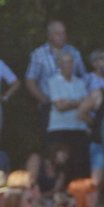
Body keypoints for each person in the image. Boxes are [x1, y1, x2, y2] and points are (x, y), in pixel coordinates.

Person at [44, 50, 93, 185]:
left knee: (78, 165)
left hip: (78, 128)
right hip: (59, 128)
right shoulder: (53, 81)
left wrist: (69, 102)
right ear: (59, 64)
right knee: (60, 165)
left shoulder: (79, 82)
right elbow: (60, 105)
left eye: (71, 62)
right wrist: (78, 102)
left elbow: (87, 103)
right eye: (65, 62)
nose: (69, 65)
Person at [25, 21, 86, 111]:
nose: (61, 37)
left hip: (73, 106)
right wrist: (44, 100)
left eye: (63, 33)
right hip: (49, 104)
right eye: (58, 34)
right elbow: (30, 79)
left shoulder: (74, 52)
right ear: (49, 36)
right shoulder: (39, 54)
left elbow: (83, 77)